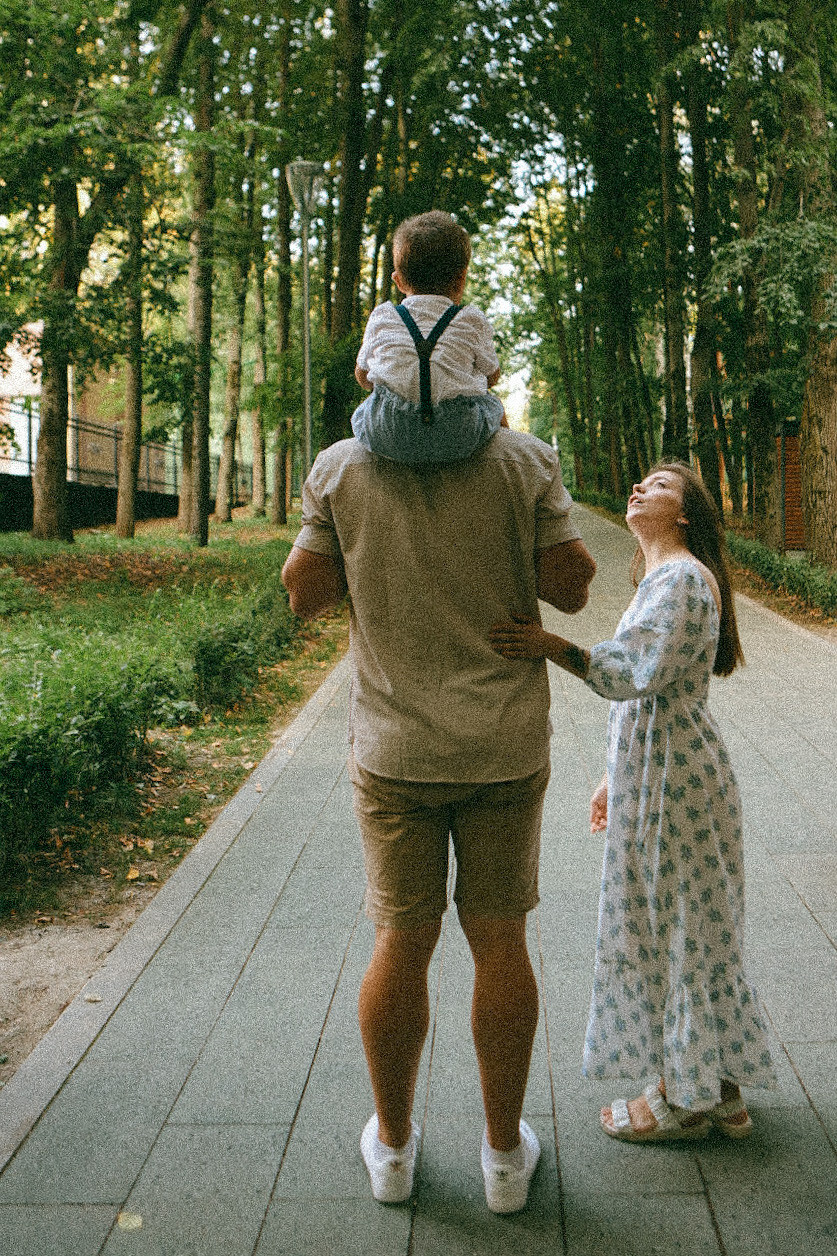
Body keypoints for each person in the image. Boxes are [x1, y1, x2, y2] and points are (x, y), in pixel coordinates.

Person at [282, 424, 596, 1209]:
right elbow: (574, 585)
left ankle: (391, 1150)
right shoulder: (522, 460)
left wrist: (373, 564)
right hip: (501, 746)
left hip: (395, 750)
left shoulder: (343, 467)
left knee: (401, 938)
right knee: (499, 938)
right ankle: (502, 1160)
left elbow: (302, 590)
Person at [489, 461, 777, 1143]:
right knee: (693, 925)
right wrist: (613, 776)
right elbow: (655, 685)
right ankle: (720, 1087)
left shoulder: (678, 577)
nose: (642, 489)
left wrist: (547, 644)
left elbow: (631, 673)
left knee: (672, 924)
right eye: (641, 481)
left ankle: (682, 1102)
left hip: (675, 779)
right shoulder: (665, 576)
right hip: (666, 769)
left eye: (662, 487)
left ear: (685, 514)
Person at [352, 210, 507, 465]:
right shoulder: (471, 319)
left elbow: (362, 376)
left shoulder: (382, 316)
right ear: (461, 279)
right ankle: (505, 463)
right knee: (494, 406)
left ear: (399, 281)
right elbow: (492, 376)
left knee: (366, 410)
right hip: (457, 433)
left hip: (390, 431)